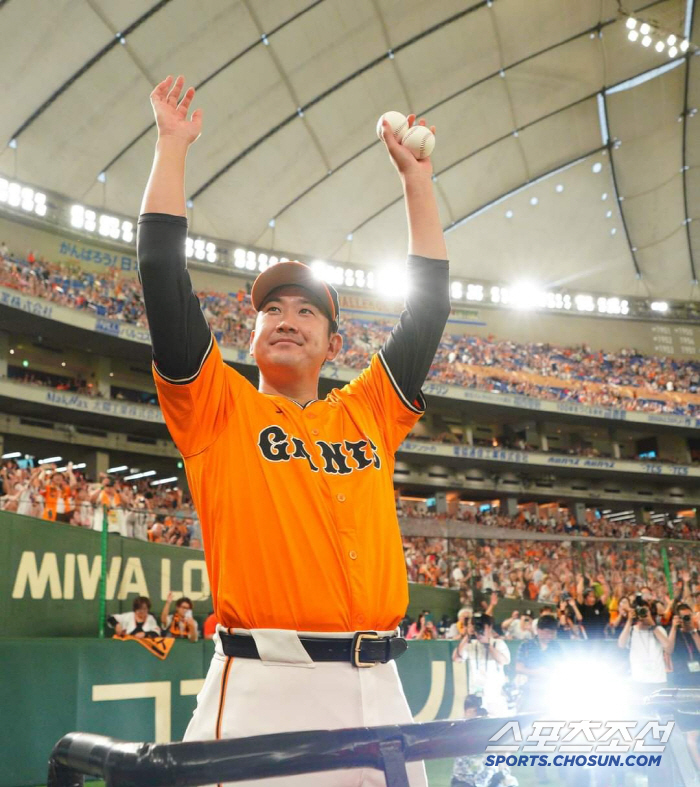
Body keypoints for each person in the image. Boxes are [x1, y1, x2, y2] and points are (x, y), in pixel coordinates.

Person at [137, 74, 449, 787]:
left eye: (306, 311)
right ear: (250, 333)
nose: (285, 316)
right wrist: (173, 146)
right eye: (271, 307)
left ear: (333, 343)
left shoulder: (367, 409)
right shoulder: (215, 405)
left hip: (381, 688)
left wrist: (417, 184)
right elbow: (160, 271)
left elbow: (428, 311)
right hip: (263, 684)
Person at [450, 695, 518, 787]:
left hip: (490, 778)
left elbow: (503, 752)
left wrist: (505, 774)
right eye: (472, 711)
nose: (477, 715)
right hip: (464, 780)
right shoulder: (459, 727)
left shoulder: (492, 727)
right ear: (466, 712)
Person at [454, 613, 511, 716]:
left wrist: (487, 644)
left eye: (481, 627)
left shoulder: (498, 643)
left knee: (498, 726)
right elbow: (456, 658)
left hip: (494, 696)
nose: (478, 630)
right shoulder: (470, 645)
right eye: (476, 627)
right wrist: (468, 636)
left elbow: (504, 661)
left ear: (489, 627)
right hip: (475, 696)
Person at [617, 598, 669, 692]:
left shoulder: (659, 630)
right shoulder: (631, 630)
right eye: (640, 611)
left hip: (658, 680)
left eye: (645, 611)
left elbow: (668, 648)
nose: (643, 614)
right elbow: (621, 645)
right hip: (638, 681)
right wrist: (629, 621)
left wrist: (652, 623)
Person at [515, 615, 563, 712]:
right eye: (547, 633)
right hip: (529, 691)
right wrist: (537, 672)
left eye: (552, 633)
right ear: (538, 630)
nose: (549, 636)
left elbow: (562, 667)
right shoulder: (526, 645)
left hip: (551, 690)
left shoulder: (556, 646)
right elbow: (518, 668)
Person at [666, 603, 700, 687]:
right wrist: (674, 627)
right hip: (680, 678)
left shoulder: (697, 633)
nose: (687, 619)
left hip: (697, 677)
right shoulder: (673, 633)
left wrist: (693, 631)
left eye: (689, 616)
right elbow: (668, 650)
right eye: (684, 617)